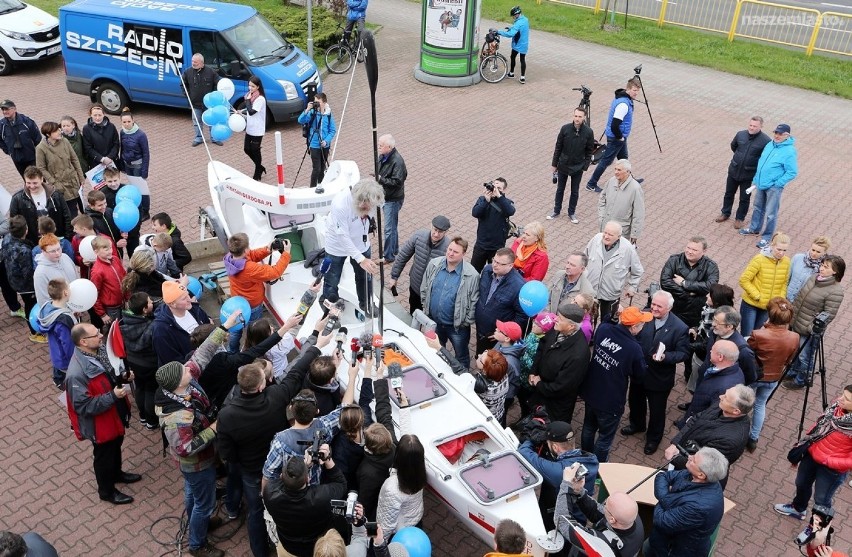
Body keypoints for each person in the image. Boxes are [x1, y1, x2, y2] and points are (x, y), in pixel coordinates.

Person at [217, 345, 321, 557]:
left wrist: (244, 462)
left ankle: (260, 552)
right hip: (280, 467)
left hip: (252, 471)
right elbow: (296, 372)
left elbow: (226, 453)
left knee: (255, 512)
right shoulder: (276, 397)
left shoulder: (226, 416)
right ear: (261, 385)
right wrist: (316, 346)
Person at [155, 314, 241, 557]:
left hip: (197, 465)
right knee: (205, 502)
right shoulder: (177, 418)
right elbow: (184, 448)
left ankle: (198, 520)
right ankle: (197, 544)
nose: (189, 367)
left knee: (194, 494)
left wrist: (224, 327)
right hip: (197, 463)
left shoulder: (182, 384)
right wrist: (213, 430)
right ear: (177, 385)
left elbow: (203, 353)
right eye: (184, 371)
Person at [65, 322, 140, 505]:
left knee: (116, 445)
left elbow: (109, 375)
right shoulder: (76, 374)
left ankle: (116, 473)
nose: (100, 336)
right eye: (95, 334)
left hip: (113, 413)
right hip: (101, 424)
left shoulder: (96, 352)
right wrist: (112, 396)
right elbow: (83, 406)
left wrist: (122, 377)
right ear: (83, 341)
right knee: (104, 455)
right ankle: (106, 491)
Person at [774, 385, 852, 520]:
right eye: (842, 395)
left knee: (821, 500)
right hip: (812, 455)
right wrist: (807, 442)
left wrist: (829, 461)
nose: (840, 399)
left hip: (831, 469)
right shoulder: (836, 408)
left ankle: (816, 528)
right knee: (801, 483)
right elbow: (819, 424)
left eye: (846, 399)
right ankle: (798, 509)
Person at [582, 306, 649, 462]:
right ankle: (598, 467)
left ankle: (585, 456)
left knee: (588, 427)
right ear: (634, 327)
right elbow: (639, 375)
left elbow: (605, 322)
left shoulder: (604, 329)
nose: (643, 327)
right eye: (641, 324)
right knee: (605, 438)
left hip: (591, 390)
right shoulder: (634, 349)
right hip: (611, 401)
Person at [626, 291, 690, 455]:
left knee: (657, 411)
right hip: (639, 373)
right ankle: (636, 425)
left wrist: (665, 357)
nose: (653, 308)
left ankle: (653, 438)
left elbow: (683, 353)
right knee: (635, 401)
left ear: (669, 308)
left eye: (658, 306)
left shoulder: (680, 328)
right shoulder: (645, 315)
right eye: (653, 304)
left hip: (659, 378)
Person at [664, 384, 754, 489]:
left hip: (694, 479)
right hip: (683, 459)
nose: (721, 396)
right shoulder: (723, 406)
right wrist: (676, 443)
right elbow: (696, 419)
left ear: (736, 411)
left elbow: (703, 466)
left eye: (725, 397)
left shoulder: (731, 440)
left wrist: (674, 457)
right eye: (725, 394)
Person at [263, 448, 348, 557]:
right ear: (307, 479)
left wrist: (302, 468)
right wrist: (327, 459)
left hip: (288, 547)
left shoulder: (270, 493)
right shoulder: (321, 498)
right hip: (316, 549)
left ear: (281, 476)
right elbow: (341, 484)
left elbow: (278, 482)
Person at [643, 447, 727, 557]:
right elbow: (663, 476)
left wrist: (664, 498)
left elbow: (661, 520)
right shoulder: (693, 475)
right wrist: (666, 498)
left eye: (694, 460)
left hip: (673, 551)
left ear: (702, 475)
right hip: (663, 541)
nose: (689, 457)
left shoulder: (699, 507)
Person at [518, 421, 599, 530]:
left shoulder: (560, 471)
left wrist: (531, 440)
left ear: (555, 447)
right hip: (579, 516)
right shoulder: (591, 459)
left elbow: (523, 452)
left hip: (561, 522)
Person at [323, 179, 384, 315]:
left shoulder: (371, 200)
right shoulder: (340, 205)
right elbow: (342, 236)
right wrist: (360, 259)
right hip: (337, 246)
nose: (369, 210)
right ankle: (329, 306)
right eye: (367, 208)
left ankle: (366, 304)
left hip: (361, 243)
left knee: (364, 277)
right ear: (360, 202)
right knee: (332, 279)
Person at [556, 463, 644, 557]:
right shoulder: (630, 518)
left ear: (612, 520)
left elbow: (562, 522)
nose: (603, 505)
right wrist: (579, 492)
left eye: (605, 505)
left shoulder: (601, 546)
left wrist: (566, 484)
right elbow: (598, 513)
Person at [785, 255, 845, 390]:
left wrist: (810, 328)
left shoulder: (836, 291)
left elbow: (828, 315)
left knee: (805, 357)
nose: (821, 268)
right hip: (796, 322)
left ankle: (801, 380)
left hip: (808, 330)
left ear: (835, 271)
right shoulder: (814, 278)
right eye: (822, 265)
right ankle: (793, 371)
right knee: (795, 352)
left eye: (826, 267)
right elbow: (800, 297)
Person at [223, 232, 291, 351]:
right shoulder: (249, 269)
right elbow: (275, 272)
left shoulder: (229, 257)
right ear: (245, 250)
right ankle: (252, 351)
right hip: (252, 305)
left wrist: (268, 249)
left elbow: (251, 255)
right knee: (254, 331)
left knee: (235, 329)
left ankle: (231, 351)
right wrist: (286, 254)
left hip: (236, 302)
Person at [746, 297, 799, 451]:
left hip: (755, 376)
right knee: (760, 405)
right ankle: (753, 438)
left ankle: (738, 429)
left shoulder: (758, 334)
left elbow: (748, 354)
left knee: (744, 402)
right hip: (774, 377)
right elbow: (790, 360)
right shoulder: (794, 337)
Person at [421, 237, 479, 367]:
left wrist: (466, 321)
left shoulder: (472, 275)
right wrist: (426, 307)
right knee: (435, 352)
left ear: (463, 254)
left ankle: (462, 380)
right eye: (449, 249)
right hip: (435, 322)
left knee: (461, 357)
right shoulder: (434, 264)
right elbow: (425, 287)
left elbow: (474, 300)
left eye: (455, 252)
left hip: (457, 327)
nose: (451, 254)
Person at [527, 302, 590, 423]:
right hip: (540, 394)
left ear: (571, 326)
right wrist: (533, 371)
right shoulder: (557, 329)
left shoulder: (579, 354)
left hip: (555, 408)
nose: (555, 319)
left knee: (547, 437)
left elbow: (561, 387)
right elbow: (541, 347)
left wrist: (538, 384)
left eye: (560, 318)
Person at [739, 122, 798, 248]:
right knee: (757, 207)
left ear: (787, 135)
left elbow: (792, 172)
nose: (777, 135)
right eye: (776, 133)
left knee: (771, 213)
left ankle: (766, 237)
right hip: (761, 183)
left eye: (780, 134)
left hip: (774, 187)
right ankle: (754, 228)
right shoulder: (770, 145)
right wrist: (756, 179)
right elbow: (761, 163)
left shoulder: (789, 151)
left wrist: (778, 183)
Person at [585, 78, 641, 193]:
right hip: (617, 137)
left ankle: (629, 180)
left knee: (624, 158)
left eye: (638, 91)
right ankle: (591, 184)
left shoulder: (623, 99)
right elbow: (615, 124)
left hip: (620, 137)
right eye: (634, 90)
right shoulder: (624, 105)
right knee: (605, 161)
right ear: (628, 89)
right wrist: (620, 137)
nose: (636, 93)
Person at [388, 215, 451, 314]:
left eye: (440, 232)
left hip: (433, 293)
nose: (436, 234)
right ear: (431, 226)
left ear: (446, 232)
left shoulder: (449, 248)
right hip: (415, 285)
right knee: (414, 312)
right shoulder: (418, 236)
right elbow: (403, 256)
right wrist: (394, 276)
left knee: (430, 318)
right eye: (435, 230)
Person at [716, 116, 771, 228]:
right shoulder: (740, 134)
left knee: (744, 198)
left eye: (754, 126)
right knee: (728, 194)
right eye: (750, 125)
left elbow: (764, 158)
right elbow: (734, 146)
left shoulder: (766, 141)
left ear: (761, 126)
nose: (751, 128)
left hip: (748, 175)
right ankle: (725, 213)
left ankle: (739, 218)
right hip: (734, 170)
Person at [584, 221, 644, 321]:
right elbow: (584, 258)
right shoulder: (596, 239)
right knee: (588, 320)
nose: (606, 236)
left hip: (611, 294)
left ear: (619, 236)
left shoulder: (627, 249)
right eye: (605, 233)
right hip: (591, 290)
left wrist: (632, 287)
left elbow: (637, 270)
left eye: (610, 235)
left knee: (608, 322)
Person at [660, 236, 720, 333]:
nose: (690, 252)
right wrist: (688, 294)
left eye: (694, 250)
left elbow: (710, 286)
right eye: (688, 248)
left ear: (704, 251)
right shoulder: (674, 260)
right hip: (673, 307)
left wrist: (685, 283)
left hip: (694, 312)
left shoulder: (711, 266)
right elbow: (665, 282)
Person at [473, 247, 526, 354]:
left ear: (511, 265)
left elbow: (521, 316)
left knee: (492, 364)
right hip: (481, 328)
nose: (495, 265)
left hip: (496, 335)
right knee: (480, 355)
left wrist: (504, 333)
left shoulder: (518, 287)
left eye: (500, 263)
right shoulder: (487, 270)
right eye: (494, 260)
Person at [376, 434, 427, 542]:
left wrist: (380, 545)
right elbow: (410, 442)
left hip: (399, 534)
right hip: (415, 520)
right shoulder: (420, 472)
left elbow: (387, 524)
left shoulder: (392, 488)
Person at [738, 230, 791, 336]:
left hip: (768, 307)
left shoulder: (787, 262)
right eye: (779, 249)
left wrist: (778, 300)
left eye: (784, 250)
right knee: (747, 335)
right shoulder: (759, 259)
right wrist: (757, 295)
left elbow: (784, 283)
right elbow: (744, 280)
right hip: (751, 304)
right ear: (772, 245)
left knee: (755, 334)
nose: (781, 253)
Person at [548, 106, 595, 223]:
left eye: (579, 116)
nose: (577, 119)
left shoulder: (588, 132)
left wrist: (585, 166)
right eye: (575, 116)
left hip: (578, 166)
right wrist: (554, 164)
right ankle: (556, 210)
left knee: (575, 191)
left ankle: (571, 212)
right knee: (560, 189)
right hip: (563, 164)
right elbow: (558, 147)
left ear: (584, 118)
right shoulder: (565, 129)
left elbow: (590, 150)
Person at [119, 292, 159, 429]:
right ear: (144, 309)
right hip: (149, 364)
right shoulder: (151, 326)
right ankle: (152, 421)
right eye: (149, 302)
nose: (152, 302)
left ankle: (142, 416)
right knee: (151, 390)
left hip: (133, 361)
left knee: (140, 387)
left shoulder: (124, 321)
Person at [152, 281, 212, 366]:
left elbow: (209, 328)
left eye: (187, 294)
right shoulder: (161, 330)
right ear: (172, 304)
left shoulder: (195, 309)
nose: (189, 299)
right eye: (184, 298)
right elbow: (171, 362)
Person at [684, 339, 745, 423]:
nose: (710, 351)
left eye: (712, 350)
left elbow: (712, 415)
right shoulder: (736, 369)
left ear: (720, 357)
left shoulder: (722, 388)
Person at [10, 165, 72, 244]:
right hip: (33, 242)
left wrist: (67, 238)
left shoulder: (55, 195)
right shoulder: (17, 199)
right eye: (28, 183)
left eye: (35, 183)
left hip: (56, 239)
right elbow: (15, 223)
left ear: (42, 179)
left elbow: (67, 216)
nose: (32, 186)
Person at [35, 121, 86, 218]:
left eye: (59, 129)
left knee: (81, 205)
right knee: (69, 211)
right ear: (48, 134)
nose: (60, 132)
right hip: (59, 185)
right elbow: (41, 168)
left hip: (73, 181)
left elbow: (74, 159)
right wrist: (54, 182)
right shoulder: (41, 148)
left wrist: (81, 176)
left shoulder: (65, 141)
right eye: (56, 131)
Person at [1, 215, 40, 342]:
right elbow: (28, 273)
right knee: (30, 305)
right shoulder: (24, 251)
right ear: (26, 229)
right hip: (26, 286)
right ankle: (35, 333)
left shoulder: (7, 238)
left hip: (13, 279)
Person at [38, 278, 77, 389]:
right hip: (67, 362)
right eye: (68, 288)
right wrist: (75, 363)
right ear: (65, 293)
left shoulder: (48, 307)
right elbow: (68, 345)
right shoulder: (62, 321)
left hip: (57, 356)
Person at [471, 177, 515, 272]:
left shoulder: (506, 202)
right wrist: (486, 201)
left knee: (494, 273)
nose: (495, 190)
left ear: (504, 190)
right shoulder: (482, 199)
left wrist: (499, 197)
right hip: (481, 245)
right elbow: (475, 213)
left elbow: (511, 211)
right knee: (473, 272)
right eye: (495, 186)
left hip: (497, 247)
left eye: (499, 188)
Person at [597, 159, 645, 244]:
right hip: (606, 227)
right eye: (615, 169)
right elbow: (602, 198)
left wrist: (635, 235)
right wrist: (602, 216)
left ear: (628, 171)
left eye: (619, 170)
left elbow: (638, 213)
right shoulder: (611, 181)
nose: (616, 172)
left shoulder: (635, 189)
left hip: (621, 232)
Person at [376, 133, 407, 263]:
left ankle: (388, 256)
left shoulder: (397, 161)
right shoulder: (383, 156)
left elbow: (397, 181)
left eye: (381, 145)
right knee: (392, 227)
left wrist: (380, 179)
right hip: (386, 197)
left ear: (389, 147)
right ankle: (394, 250)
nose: (379, 147)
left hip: (393, 199)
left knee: (389, 229)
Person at [182, 53, 221, 147]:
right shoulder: (188, 72)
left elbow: (219, 83)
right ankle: (198, 138)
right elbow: (183, 84)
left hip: (209, 104)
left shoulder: (211, 72)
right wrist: (188, 95)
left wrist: (214, 95)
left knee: (212, 121)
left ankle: (214, 138)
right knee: (197, 122)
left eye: (195, 62)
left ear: (202, 63)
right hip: (195, 103)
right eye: (192, 61)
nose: (193, 63)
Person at [118, 108, 151, 219]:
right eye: (124, 122)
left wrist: (144, 170)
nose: (126, 124)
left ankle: (145, 211)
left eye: (128, 121)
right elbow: (122, 148)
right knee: (133, 187)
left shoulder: (141, 135)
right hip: (127, 164)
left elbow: (146, 153)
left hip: (138, 165)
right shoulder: (122, 132)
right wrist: (121, 163)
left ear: (133, 120)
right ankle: (138, 206)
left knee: (142, 188)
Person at [298, 93, 336, 189]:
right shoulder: (312, 113)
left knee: (322, 168)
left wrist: (326, 141)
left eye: (318, 102)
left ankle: (321, 185)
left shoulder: (328, 115)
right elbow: (301, 120)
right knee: (317, 168)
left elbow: (332, 130)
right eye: (315, 102)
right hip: (314, 145)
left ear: (324, 102)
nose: (316, 104)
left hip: (325, 146)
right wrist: (307, 110)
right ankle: (312, 188)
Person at [89, 236, 127, 325]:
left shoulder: (116, 259)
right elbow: (94, 294)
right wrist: (102, 314)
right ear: (96, 252)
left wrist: (127, 298)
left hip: (123, 301)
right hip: (112, 308)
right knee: (116, 329)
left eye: (110, 248)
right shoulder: (97, 271)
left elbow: (125, 278)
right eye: (106, 250)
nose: (110, 251)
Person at [33, 233, 76, 307]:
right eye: (52, 251)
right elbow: (43, 301)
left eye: (58, 249)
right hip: (62, 313)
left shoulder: (65, 257)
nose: (58, 253)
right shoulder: (40, 273)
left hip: (76, 304)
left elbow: (76, 278)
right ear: (43, 252)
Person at [0, 99, 41, 177]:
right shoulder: (1, 125)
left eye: (7, 109)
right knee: (27, 180)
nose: (5, 111)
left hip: (32, 157)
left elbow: (37, 138)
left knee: (38, 178)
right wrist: (9, 151)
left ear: (14, 109)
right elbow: (0, 141)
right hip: (17, 159)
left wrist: (36, 152)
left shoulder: (26, 121)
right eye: (3, 109)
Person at [788, 236, 831, 302]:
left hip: (801, 303)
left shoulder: (823, 268)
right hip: (785, 297)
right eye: (813, 250)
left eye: (818, 252)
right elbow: (786, 277)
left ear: (824, 253)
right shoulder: (797, 258)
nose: (814, 253)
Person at [242, 76, 267, 181]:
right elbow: (248, 110)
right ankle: (260, 167)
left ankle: (257, 172)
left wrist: (247, 101)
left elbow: (252, 112)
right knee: (247, 149)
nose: (250, 88)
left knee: (255, 150)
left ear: (258, 87)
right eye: (249, 85)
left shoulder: (260, 99)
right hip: (250, 128)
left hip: (257, 129)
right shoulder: (250, 96)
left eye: (253, 86)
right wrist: (241, 111)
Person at [81, 104, 120, 170]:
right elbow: (87, 147)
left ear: (103, 114)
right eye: (95, 115)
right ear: (91, 115)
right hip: (96, 164)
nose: (97, 118)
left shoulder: (111, 126)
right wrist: (101, 159)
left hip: (112, 162)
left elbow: (116, 143)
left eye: (99, 115)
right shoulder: (86, 129)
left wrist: (110, 157)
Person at [497, 6, 529, 83]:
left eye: (514, 16)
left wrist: (498, 31)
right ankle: (522, 77)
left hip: (517, 44)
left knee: (513, 57)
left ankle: (511, 73)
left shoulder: (518, 23)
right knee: (522, 59)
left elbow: (510, 34)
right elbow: (518, 29)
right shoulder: (525, 19)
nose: (513, 17)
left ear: (517, 14)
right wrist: (511, 28)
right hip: (524, 43)